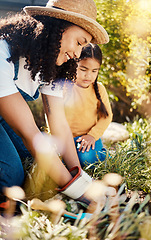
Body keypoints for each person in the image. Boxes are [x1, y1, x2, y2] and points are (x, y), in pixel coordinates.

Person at [0, 0, 109, 208]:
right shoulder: (2, 52)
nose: (78, 55)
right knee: (11, 175)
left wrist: (80, 177)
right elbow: (29, 133)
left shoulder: (50, 63)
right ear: (56, 27)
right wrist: (79, 192)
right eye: (79, 42)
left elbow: (59, 124)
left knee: (32, 160)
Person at [63, 43, 113, 168]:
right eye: (83, 69)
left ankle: (104, 155)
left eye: (94, 71)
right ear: (74, 65)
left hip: (88, 139)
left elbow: (106, 116)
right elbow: (52, 116)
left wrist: (92, 136)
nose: (88, 75)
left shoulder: (99, 89)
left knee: (86, 158)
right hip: (65, 139)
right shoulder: (63, 87)